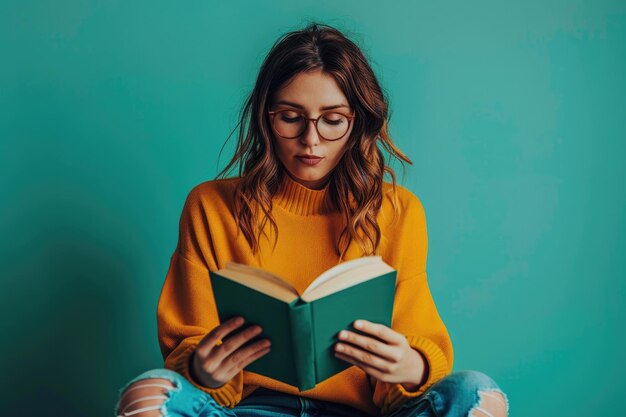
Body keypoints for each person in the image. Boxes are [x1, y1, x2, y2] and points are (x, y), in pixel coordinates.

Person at [114, 22, 509, 417]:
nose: (311, 140)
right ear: (266, 119)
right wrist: (203, 369)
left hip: (358, 413)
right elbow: (188, 345)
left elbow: (416, 354)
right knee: (149, 394)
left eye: (333, 120)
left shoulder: (398, 211)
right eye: (290, 117)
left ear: (358, 123)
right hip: (249, 411)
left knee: (478, 393)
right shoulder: (210, 206)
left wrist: (410, 367)